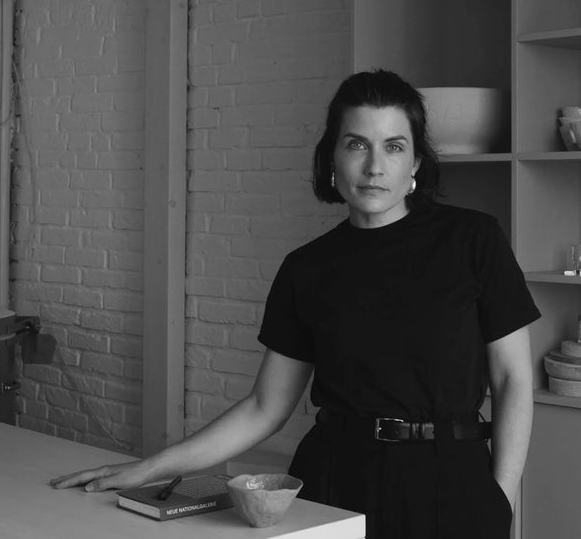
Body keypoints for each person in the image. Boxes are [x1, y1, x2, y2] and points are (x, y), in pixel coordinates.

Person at [51, 69, 540, 539]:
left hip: (452, 484)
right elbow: (265, 407)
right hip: (334, 483)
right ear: (332, 157)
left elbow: (512, 379)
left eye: (394, 146)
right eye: (356, 144)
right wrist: (148, 468)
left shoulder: (473, 240)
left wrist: (502, 498)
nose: (374, 166)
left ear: (415, 162)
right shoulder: (307, 268)